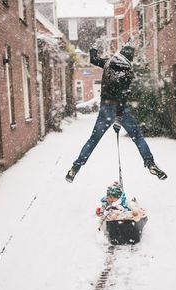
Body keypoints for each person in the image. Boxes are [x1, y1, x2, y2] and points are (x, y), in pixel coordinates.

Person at [65, 41, 167, 183]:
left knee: (93, 140)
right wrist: (119, 117)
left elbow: (94, 60)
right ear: (130, 56)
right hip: (120, 108)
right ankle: (150, 163)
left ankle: (76, 167)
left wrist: (94, 48)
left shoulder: (109, 62)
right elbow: (123, 95)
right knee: (137, 137)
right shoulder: (128, 70)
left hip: (106, 108)